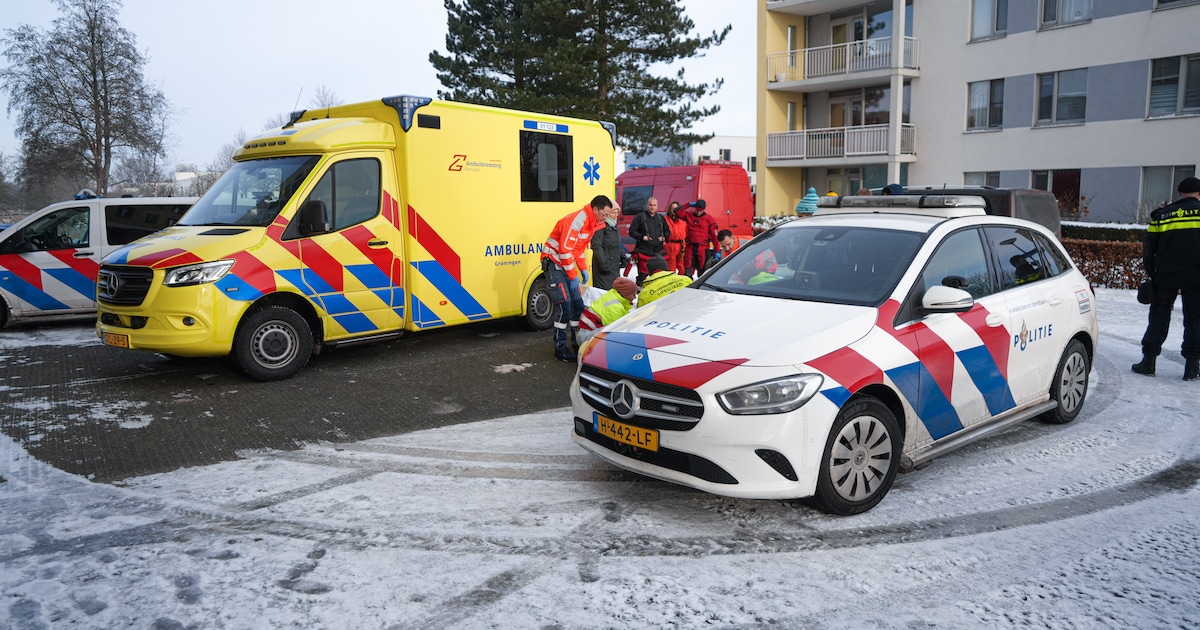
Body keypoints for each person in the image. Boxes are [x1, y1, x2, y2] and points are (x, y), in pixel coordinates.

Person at [1133, 176, 1200, 380]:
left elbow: (1149, 248)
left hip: (1166, 274)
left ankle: (1149, 362)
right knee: (1195, 319)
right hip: (1197, 276)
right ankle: (1192, 368)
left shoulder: (1163, 215)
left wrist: (1153, 273)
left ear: (1179, 193)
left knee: (1159, 317)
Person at [541, 194, 612, 362]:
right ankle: (560, 349)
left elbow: (577, 250)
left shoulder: (590, 223)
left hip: (565, 265)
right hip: (554, 264)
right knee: (564, 307)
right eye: (605, 214)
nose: (606, 218)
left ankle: (577, 343)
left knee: (578, 306)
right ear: (595, 209)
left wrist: (581, 269)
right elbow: (565, 251)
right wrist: (573, 276)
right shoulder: (577, 221)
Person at [577, 277, 638, 346]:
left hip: (586, 332)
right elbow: (614, 332)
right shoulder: (615, 308)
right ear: (625, 294)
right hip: (586, 338)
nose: (635, 297)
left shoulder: (613, 294)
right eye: (633, 294)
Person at [627, 196, 669, 284]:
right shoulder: (640, 217)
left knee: (658, 275)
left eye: (654, 205)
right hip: (643, 251)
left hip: (658, 251)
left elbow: (667, 231)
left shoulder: (661, 218)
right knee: (642, 276)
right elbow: (631, 231)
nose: (652, 207)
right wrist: (642, 237)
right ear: (647, 205)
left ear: (657, 206)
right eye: (650, 205)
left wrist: (664, 237)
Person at [678, 199, 719, 277]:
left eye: (701, 211)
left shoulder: (709, 219)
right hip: (690, 247)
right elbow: (677, 211)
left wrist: (716, 250)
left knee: (702, 270)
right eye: (697, 210)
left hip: (702, 248)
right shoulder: (689, 215)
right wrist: (688, 204)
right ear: (695, 208)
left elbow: (714, 236)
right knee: (688, 269)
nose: (698, 212)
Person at [590, 201, 626, 290]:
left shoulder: (614, 226)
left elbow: (617, 244)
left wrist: (623, 256)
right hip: (604, 267)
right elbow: (597, 246)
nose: (616, 215)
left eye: (617, 212)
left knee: (613, 291)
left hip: (614, 266)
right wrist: (603, 264)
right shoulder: (600, 226)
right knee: (603, 292)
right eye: (614, 212)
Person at [663, 201, 689, 275]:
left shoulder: (682, 220)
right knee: (671, 266)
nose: (673, 210)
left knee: (681, 266)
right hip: (670, 245)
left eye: (675, 208)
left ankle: (681, 282)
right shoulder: (665, 219)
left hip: (681, 245)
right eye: (672, 208)